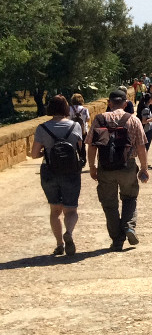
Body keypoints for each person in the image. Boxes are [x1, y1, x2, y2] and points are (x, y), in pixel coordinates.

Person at [86, 89, 149, 251]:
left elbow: (92, 146)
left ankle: (117, 239)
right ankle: (128, 227)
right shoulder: (133, 120)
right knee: (129, 198)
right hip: (127, 165)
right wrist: (144, 167)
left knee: (109, 204)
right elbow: (141, 146)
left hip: (105, 167)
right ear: (126, 103)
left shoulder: (99, 119)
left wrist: (92, 166)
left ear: (109, 103)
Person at [31, 95, 84, 256]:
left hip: (49, 171)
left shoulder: (42, 128)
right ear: (65, 108)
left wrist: (45, 153)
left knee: (55, 210)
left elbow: (34, 154)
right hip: (70, 172)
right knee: (71, 209)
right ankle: (69, 232)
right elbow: (80, 150)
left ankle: (59, 243)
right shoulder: (75, 126)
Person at [138, 94, 152, 170]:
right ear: (149, 99)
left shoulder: (145, 107)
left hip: (147, 130)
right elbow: (144, 121)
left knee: (145, 148)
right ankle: (144, 165)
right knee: (145, 148)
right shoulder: (146, 109)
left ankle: (145, 163)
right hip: (146, 130)